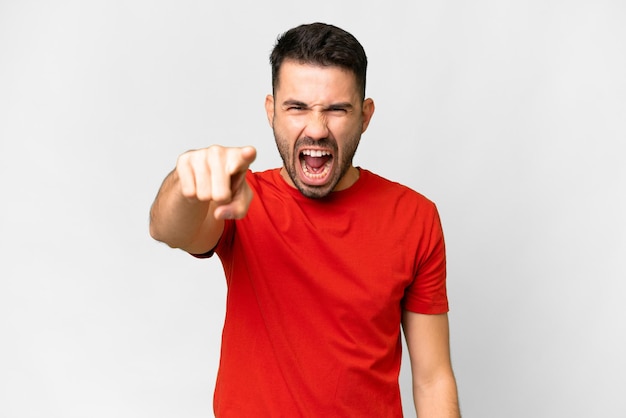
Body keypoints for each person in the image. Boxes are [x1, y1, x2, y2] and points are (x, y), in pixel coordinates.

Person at [150, 22, 460, 418]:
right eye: (297, 107)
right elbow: (168, 229)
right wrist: (185, 181)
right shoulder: (242, 199)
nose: (316, 129)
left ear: (365, 116)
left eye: (336, 109)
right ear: (271, 111)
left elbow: (433, 378)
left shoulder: (414, 216)